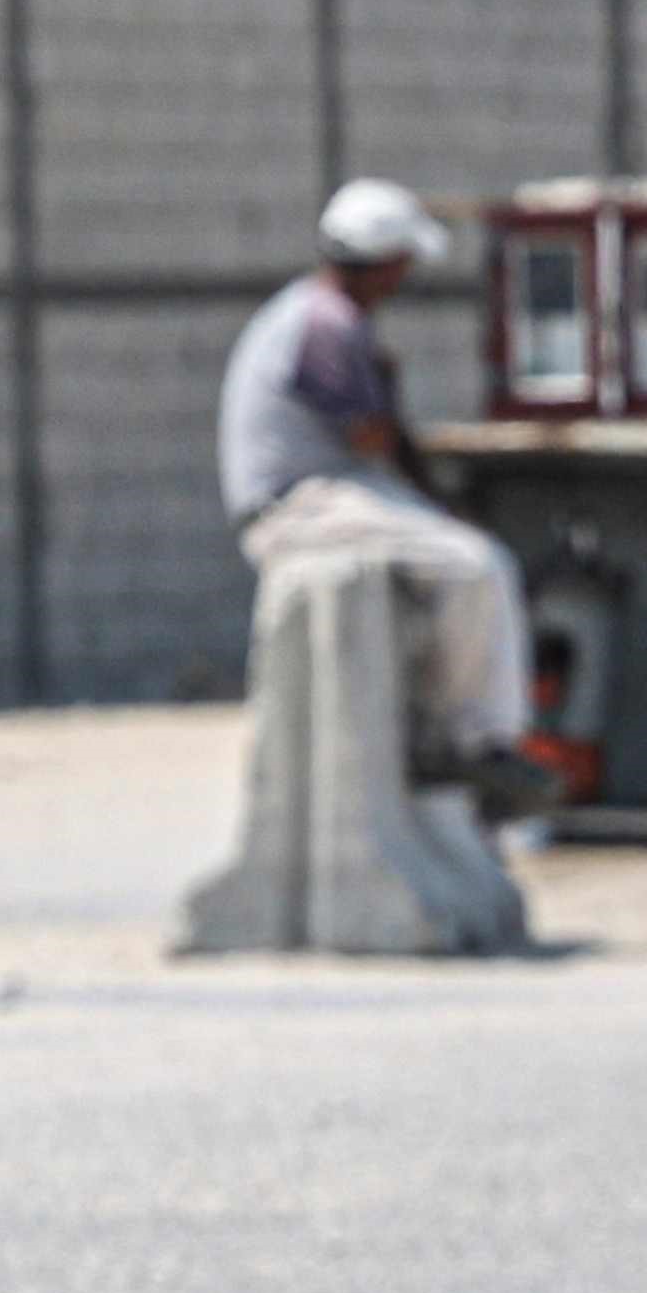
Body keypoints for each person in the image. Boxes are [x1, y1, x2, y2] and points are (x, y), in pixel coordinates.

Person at [218, 178, 558, 824]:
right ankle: (474, 742)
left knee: (456, 559)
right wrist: (394, 406)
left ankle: (442, 725)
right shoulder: (326, 324)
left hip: (316, 493)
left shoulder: (318, 314)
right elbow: (375, 436)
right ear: (385, 263)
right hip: (295, 506)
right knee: (478, 567)